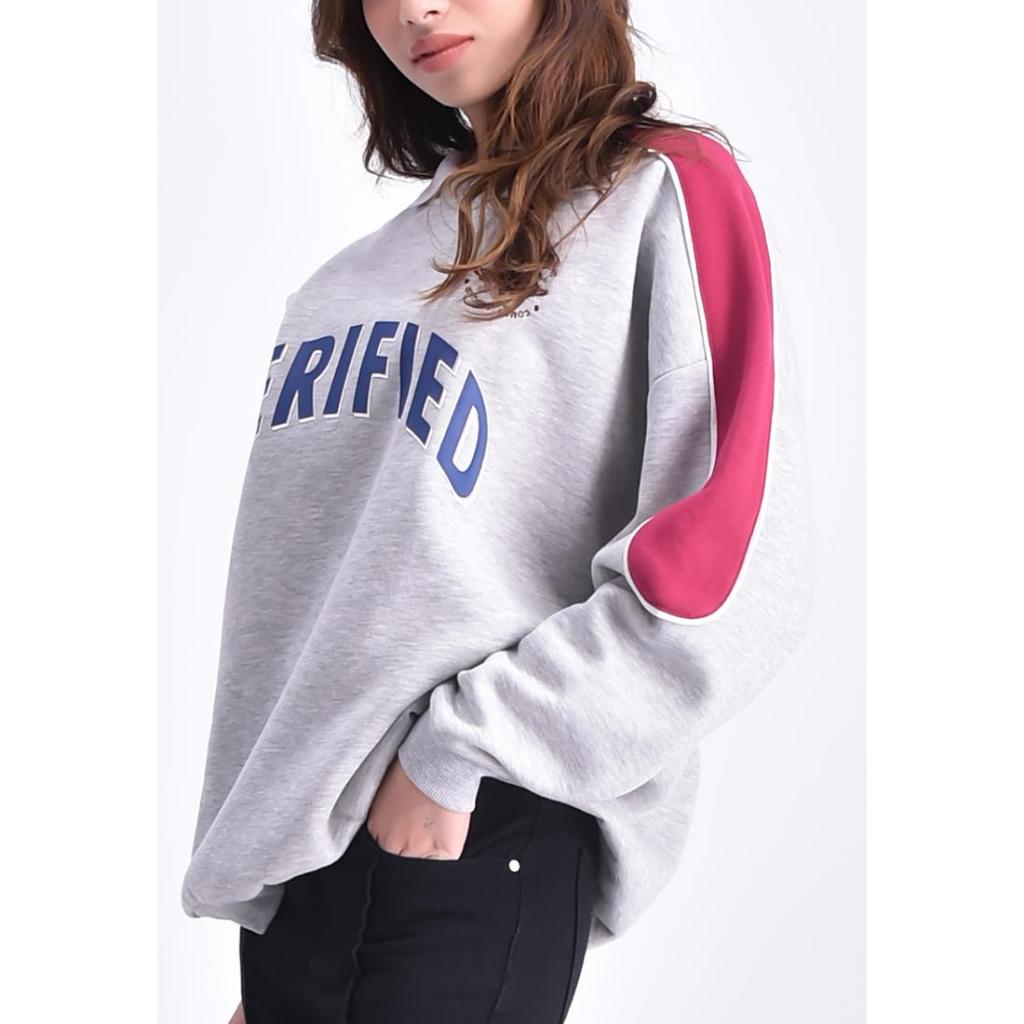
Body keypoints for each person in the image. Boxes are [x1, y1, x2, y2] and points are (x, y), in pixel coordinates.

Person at [181, 1, 817, 1021]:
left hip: (477, 819)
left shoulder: (660, 193)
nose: (415, 8)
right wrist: (269, 895)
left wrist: (459, 754)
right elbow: (298, 606)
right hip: (301, 878)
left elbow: (725, 570)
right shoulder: (346, 282)